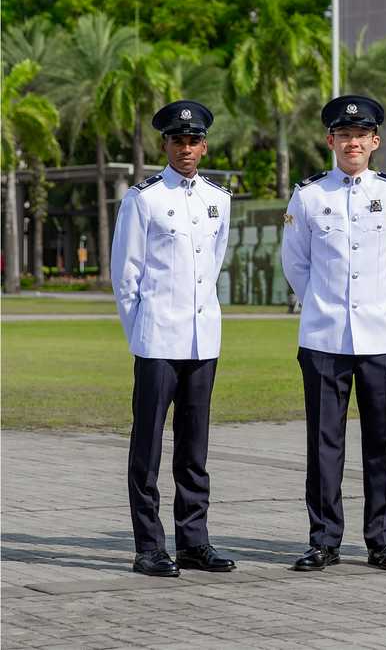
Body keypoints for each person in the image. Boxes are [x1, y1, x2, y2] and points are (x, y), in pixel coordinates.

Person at [280, 94, 386, 573]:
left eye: (361, 135)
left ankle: (382, 540)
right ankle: (324, 540)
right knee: (324, 443)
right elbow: (295, 262)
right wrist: (325, 302)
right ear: (330, 141)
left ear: (375, 141)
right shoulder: (309, 195)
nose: (352, 142)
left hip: (380, 336)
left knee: (383, 443)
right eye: (344, 135)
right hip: (323, 337)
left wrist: (376, 303)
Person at [110, 100, 235, 578]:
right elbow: (127, 278)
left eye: (194, 140)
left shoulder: (217, 199)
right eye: (178, 140)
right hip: (158, 339)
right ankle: (148, 546)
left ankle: (193, 541)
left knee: (195, 448)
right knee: (148, 447)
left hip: (203, 340)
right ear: (165, 144)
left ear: (204, 145)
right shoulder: (143, 198)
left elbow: (212, 267)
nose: (187, 148)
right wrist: (141, 336)